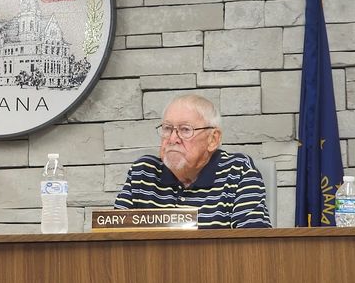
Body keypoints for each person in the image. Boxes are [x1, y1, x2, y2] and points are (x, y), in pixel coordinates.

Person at [114, 94, 271, 229]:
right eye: (167, 128)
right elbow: (112, 237)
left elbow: (254, 243)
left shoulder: (238, 172)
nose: (173, 139)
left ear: (213, 139)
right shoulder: (143, 172)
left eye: (185, 130)